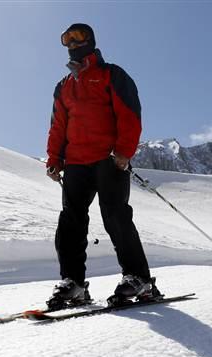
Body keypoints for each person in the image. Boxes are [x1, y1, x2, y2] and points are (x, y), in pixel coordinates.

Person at [44, 23, 160, 309]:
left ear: (91, 40)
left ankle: (139, 278)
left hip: (108, 159)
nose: (72, 43)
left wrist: (123, 151)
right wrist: (54, 159)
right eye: (67, 39)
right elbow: (58, 125)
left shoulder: (112, 75)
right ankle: (74, 283)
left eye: (78, 37)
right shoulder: (63, 86)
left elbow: (130, 114)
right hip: (75, 163)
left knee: (116, 216)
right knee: (70, 221)